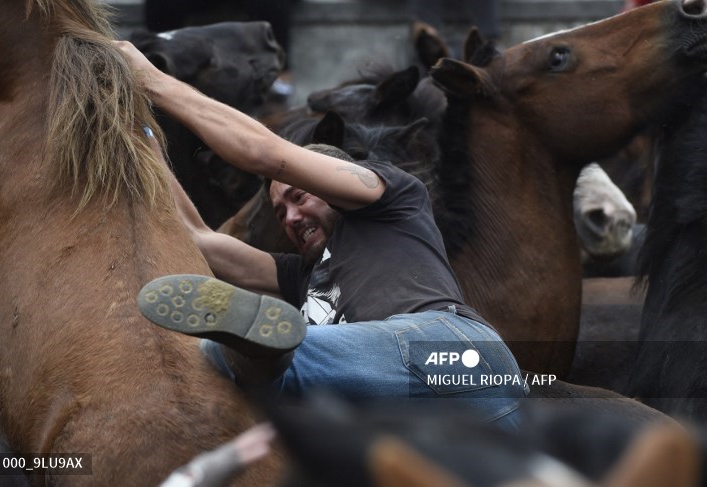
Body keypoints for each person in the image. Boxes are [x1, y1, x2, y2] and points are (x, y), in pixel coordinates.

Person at [117, 41, 526, 430]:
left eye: (298, 197)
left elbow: (264, 153)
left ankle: (251, 346)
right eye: (280, 213)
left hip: (448, 353)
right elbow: (198, 237)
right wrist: (140, 129)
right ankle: (256, 347)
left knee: (222, 363)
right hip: (444, 428)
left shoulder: (388, 197)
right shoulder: (299, 277)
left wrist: (149, 78)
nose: (291, 217)